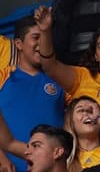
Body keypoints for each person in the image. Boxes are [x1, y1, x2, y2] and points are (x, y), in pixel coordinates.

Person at [0, 15, 64, 172]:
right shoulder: (3, 76)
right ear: (19, 44)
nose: (42, 43)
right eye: (36, 37)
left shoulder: (61, 78)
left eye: (45, 38)